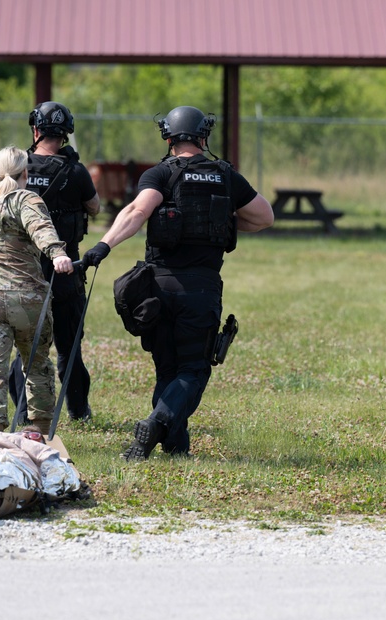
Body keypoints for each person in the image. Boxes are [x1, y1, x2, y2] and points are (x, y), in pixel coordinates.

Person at [81, 106, 274, 461]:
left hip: (158, 286)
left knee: (167, 368)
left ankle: (175, 448)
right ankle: (156, 424)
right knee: (193, 370)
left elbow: (138, 212)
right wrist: (227, 220)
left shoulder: (161, 174)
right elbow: (264, 216)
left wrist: (102, 246)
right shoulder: (226, 176)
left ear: (169, 138)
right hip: (200, 289)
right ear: (204, 137)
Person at [0, 145, 74, 436]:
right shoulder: (26, 199)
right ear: (25, 173)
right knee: (36, 364)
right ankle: (38, 429)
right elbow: (40, 228)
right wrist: (57, 254)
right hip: (26, 301)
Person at [8, 101, 101, 423]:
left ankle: (22, 413)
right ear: (66, 135)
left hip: (24, 270)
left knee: (27, 346)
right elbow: (95, 207)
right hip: (66, 269)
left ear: (35, 130)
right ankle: (78, 410)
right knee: (68, 345)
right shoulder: (75, 171)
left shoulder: (19, 170)